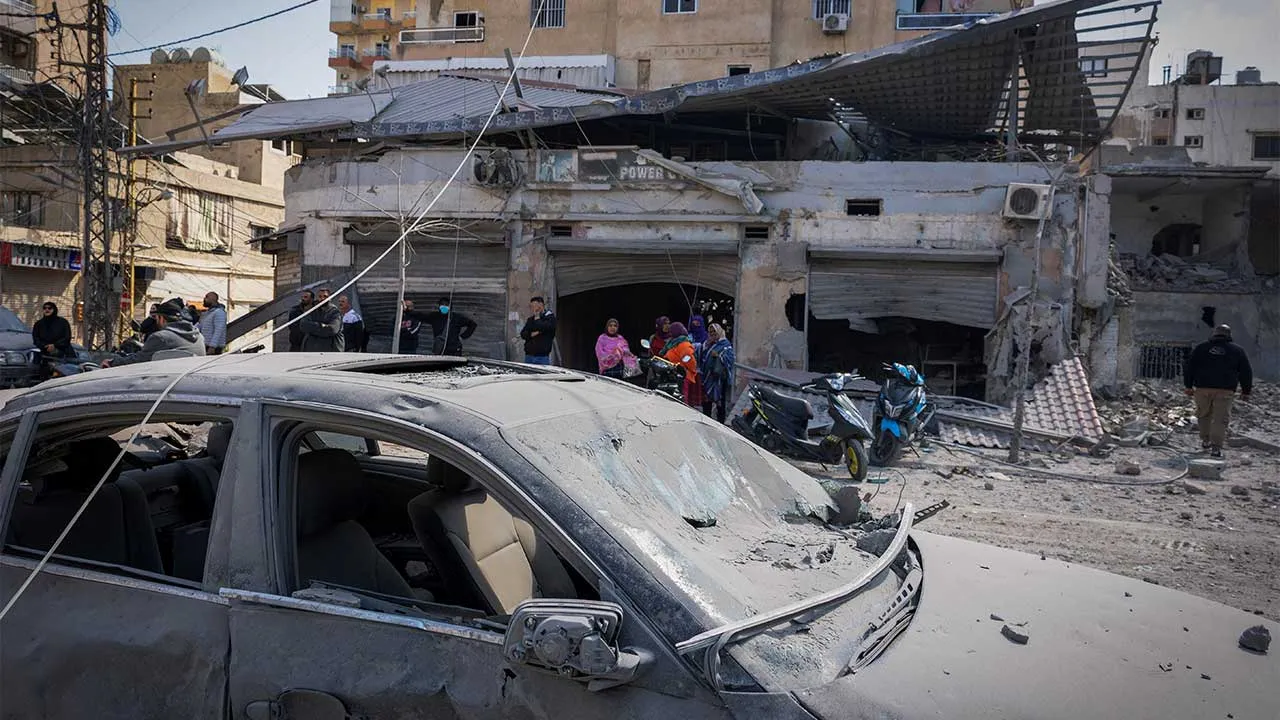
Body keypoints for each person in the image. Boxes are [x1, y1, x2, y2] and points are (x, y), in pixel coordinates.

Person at [1184, 323, 1253, 458]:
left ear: (1214, 334)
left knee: (1203, 415)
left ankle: (1205, 440)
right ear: (1229, 335)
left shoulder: (1201, 348)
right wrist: (1246, 391)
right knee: (1220, 419)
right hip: (1225, 390)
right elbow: (1246, 372)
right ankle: (1216, 448)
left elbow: (1189, 367)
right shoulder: (1237, 350)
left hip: (1202, 388)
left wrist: (1188, 385)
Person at [102, 299, 205, 367]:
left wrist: (113, 362)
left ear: (161, 319)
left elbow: (139, 360)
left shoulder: (161, 337)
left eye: (156, 318)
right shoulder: (199, 337)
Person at [699, 323, 735, 423]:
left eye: (714, 331)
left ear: (719, 331)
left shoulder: (726, 345)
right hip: (708, 378)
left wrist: (719, 356)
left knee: (720, 403)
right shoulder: (708, 344)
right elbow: (702, 357)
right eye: (710, 332)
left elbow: (730, 359)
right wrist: (706, 346)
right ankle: (706, 422)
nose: (712, 334)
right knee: (706, 401)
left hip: (719, 379)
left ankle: (720, 424)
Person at [661, 321, 699, 406]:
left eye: (672, 331)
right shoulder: (673, 342)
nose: (670, 333)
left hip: (682, 376)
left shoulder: (684, 344)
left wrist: (682, 366)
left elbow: (689, 359)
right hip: (674, 374)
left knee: (681, 401)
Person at [297, 287, 344, 352]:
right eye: (320, 296)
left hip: (330, 351)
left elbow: (332, 329)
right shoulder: (312, 310)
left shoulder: (335, 312)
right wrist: (321, 326)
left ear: (330, 298)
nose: (322, 298)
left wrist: (312, 328)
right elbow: (303, 325)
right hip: (311, 350)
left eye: (325, 296)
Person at [519, 296, 557, 365]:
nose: (533, 308)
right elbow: (523, 334)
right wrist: (531, 334)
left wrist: (537, 318)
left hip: (542, 357)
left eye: (534, 306)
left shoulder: (550, 318)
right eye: (531, 306)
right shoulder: (530, 320)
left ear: (541, 305)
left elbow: (544, 327)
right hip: (529, 356)